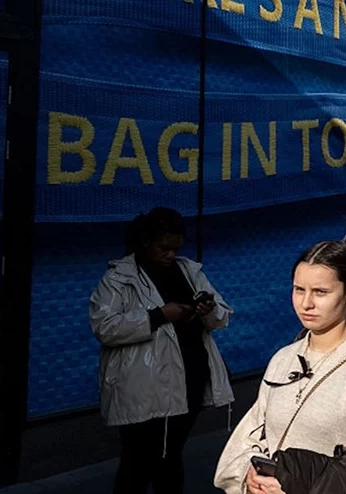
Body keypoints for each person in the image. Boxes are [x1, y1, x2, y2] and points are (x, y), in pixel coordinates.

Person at [214, 242, 346, 493]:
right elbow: (250, 436)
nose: (306, 303)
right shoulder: (283, 360)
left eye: (320, 292)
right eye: (299, 290)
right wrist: (248, 475)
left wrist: (302, 486)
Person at [89, 207, 234, 494]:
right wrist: (157, 316)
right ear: (145, 242)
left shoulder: (189, 270)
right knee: (137, 461)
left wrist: (208, 308)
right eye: (164, 248)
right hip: (143, 385)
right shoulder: (119, 278)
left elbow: (221, 316)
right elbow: (104, 327)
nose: (170, 254)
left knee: (170, 456)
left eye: (175, 248)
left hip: (188, 378)